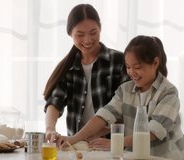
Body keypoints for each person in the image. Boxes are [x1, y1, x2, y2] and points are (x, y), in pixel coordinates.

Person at [58, 35, 184, 159]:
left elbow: (153, 132)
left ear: (155, 63)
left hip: (166, 156)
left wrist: (115, 143)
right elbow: (103, 115)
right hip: (135, 156)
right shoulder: (125, 89)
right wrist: (74, 138)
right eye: (128, 67)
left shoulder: (168, 92)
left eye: (137, 67)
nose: (131, 72)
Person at [43, 4, 129, 141]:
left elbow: (127, 109)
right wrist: (50, 129)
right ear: (70, 33)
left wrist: (100, 133)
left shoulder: (120, 61)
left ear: (100, 29)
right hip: (76, 147)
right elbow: (55, 101)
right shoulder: (68, 67)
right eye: (80, 35)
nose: (88, 40)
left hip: (111, 145)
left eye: (93, 33)